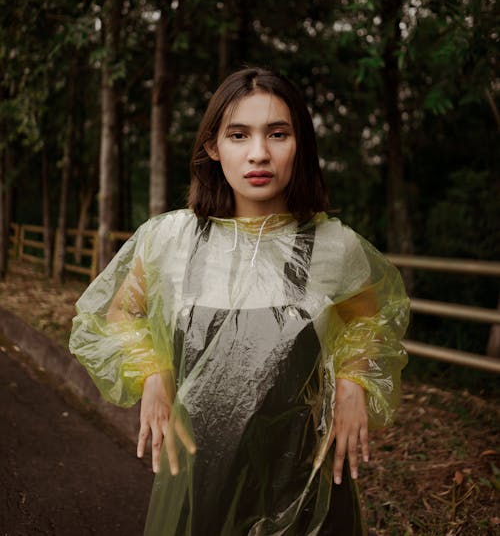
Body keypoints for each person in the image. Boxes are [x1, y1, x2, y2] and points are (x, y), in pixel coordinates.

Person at [69, 67, 410, 536]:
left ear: (300, 144)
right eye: (238, 135)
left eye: (277, 134)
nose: (259, 154)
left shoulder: (335, 246)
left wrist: (354, 380)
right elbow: (118, 314)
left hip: (303, 475)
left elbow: (371, 326)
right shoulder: (169, 239)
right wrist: (152, 370)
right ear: (213, 146)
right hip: (194, 474)